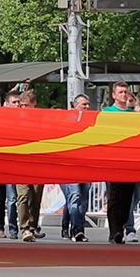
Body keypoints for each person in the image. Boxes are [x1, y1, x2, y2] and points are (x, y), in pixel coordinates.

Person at [104, 82, 138, 244]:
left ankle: (122, 226)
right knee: (114, 196)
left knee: (128, 197)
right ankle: (114, 231)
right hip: (113, 160)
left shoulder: (134, 114)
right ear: (114, 95)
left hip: (130, 161)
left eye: (126, 92)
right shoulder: (107, 112)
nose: (124, 95)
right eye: (121, 92)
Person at [60, 93, 93, 242]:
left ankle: (67, 226)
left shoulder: (92, 124)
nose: (87, 107)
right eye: (83, 104)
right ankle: (77, 231)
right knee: (75, 197)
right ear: (75, 106)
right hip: (69, 167)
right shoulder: (66, 122)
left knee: (81, 200)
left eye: (88, 104)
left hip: (86, 167)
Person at [15, 90, 46, 242]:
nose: (23, 108)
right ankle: (25, 228)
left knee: (36, 196)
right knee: (23, 195)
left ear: (34, 104)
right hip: (20, 162)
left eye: (26, 105)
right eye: (21, 105)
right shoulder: (15, 121)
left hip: (38, 162)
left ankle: (32, 226)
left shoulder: (42, 121)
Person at [0, 90, 22, 238]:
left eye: (18, 102)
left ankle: (13, 228)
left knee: (12, 197)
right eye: (14, 102)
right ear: (6, 104)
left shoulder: (22, 120)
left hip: (14, 163)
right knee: (1, 197)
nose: (17, 105)